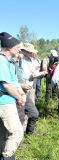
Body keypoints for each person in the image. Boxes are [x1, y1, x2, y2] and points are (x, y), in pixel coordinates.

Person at [0, 32, 24, 160]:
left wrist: (21, 94)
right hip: (4, 102)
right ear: (9, 48)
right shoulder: (1, 61)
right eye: (17, 47)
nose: (20, 49)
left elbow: (14, 82)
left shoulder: (8, 62)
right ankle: (7, 157)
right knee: (16, 132)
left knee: (4, 134)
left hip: (8, 100)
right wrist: (19, 98)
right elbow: (6, 85)